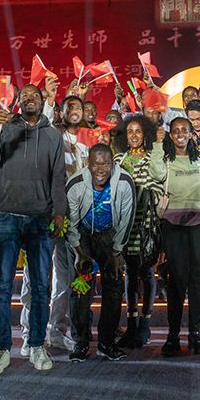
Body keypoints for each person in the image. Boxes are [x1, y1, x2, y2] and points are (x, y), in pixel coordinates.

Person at [0, 84, 67, 376]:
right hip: (7, 217)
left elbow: (58, 176)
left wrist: (59, 213)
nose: (30, 99)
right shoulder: (5, 127)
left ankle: (36, 345)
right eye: (25, 96)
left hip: (40, 219)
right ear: (18, 101)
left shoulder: (53, 135)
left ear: (43, 101)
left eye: (35, 95)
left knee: (41, 286)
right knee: (2, 286)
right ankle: (2, 348)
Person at [19, 95, 87, 353]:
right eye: (69, 107)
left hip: (73, 217)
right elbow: (39, 126)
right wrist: (48, 100)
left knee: (65, 279)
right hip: (45, 213)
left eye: (79, 107)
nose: (75, 110)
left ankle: (57, 331)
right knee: (35, 275)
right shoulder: (50, 134)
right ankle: (29, 333)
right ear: (60, 111)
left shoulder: (88, 141)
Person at [158, 117, 200, 357]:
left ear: (190, 134)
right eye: (175, 130)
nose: (180, 134)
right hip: (172, 223)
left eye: (184, 130)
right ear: (170, 135)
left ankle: (195, 334)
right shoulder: (164, 161)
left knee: (196, 279)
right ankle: (173, 335)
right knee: (176, 279)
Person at [67, 144, 136, 361]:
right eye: (96, 164)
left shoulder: (124, 182)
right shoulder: (76, 184)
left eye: (106, 164)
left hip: (110, 234)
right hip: (83, 234)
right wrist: (79, 253)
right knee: (81, 287)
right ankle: (80, 342)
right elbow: (70, 224)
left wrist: (117, 252)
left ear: (112, 164)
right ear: (88, 163)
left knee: (114, 284)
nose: (101, 169)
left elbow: (126, 220)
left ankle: (106, 342)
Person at [112, 115, 166, 349]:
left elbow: (158, 184)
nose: (134, 135)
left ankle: (146, 323)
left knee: (146, 272)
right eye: (130, 131)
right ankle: (131, 323)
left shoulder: (153, 157)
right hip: (125, 225)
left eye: (138, 131)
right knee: (130, 273)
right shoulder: (118, 159)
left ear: (146, 135)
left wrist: (142, 194)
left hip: (147, 224)